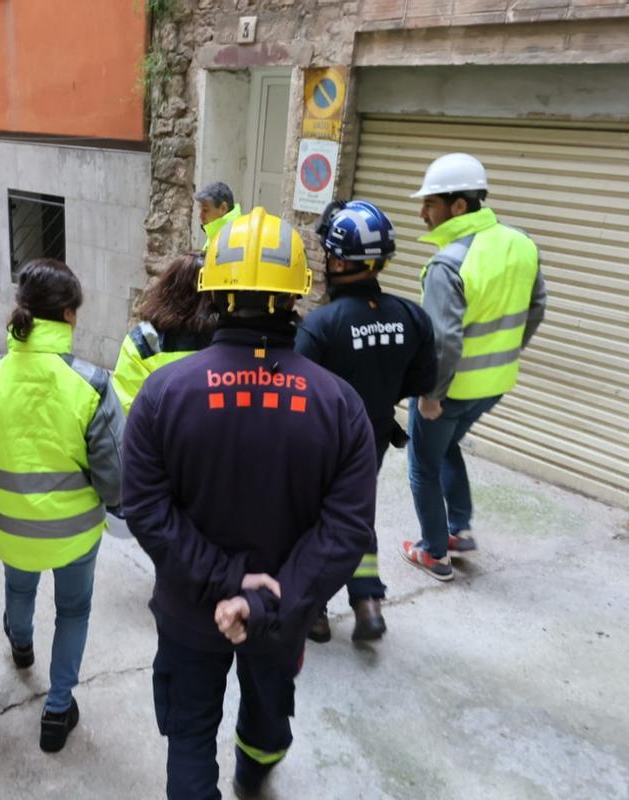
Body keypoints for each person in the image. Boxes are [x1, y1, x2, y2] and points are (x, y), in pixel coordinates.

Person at [123, 207, 377, 799]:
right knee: (267, 718)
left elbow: (146, 510)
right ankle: (252, 775)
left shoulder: (163, 393)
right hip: (281, 616)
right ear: (296, 298)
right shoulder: (340, 405)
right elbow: (346, 530)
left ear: (212, 295)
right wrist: (260, 601)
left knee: (189, 735)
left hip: (190, 612)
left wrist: (225, 580)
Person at [0, 259, 124, 753]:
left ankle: (21, 646)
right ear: (68, 315)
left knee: (19, 584)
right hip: (75, 535)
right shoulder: (92, 384)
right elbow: (117, 479)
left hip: (8, 526)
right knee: (74, 610)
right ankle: (57, 710)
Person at [296, 199, 437, 643]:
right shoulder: (412, 318)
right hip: (371, 438)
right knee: (357, 516)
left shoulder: (321, 325)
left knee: (311, 522)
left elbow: (294, 391)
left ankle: (314, 611)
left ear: (339, 261)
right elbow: (421, 382)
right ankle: (367, 602)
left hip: (320, 444)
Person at [403, 153, 547, 581]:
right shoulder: (520, 242)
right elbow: (537, 306)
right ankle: (459, 530)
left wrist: (432, 396)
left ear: (459, 205)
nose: (422, 213)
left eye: (430, 203)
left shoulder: (448, 264)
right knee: (447, 446)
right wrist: (506, 350)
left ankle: (434, 553)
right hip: (495, 385)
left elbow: (444, 341)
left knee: (422, 465)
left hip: (451, 390)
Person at [112, 253, 215, 414]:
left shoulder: (142, 341)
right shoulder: (226, 336)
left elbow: (126, 406)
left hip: (159, 428)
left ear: (168, 289)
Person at [195, 181, 242, 249]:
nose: (200, 216)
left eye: (205, 210)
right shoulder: (217, 234)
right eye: (201, 209)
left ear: (223, 208)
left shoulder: (233, 237)